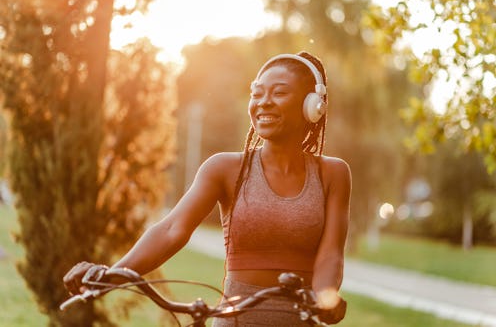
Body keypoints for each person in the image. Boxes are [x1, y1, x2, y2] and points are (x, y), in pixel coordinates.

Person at [63, 51, 351, 326]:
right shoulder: (224, 169)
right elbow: (172, 229)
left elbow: (331, 254)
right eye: (257, 93)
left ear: (311, 105)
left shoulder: (333, 174)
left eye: (278, 92)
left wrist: (325, 298)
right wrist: (112, 276)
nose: (263, 102)